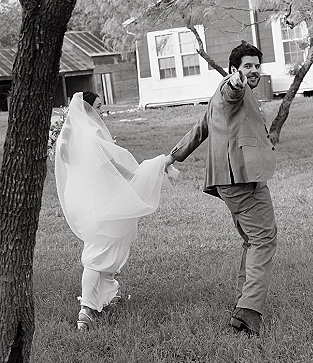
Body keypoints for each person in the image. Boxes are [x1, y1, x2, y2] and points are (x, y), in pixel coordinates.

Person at [165, 42, 277, 336]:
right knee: (264, 239)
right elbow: (233, 92)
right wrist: (236, 83)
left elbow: (202, 125)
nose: (253, 71)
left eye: (256, 66)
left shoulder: (219, 92)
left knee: (252, 240)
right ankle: (248, 312)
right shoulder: (231, 88)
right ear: (234, 70)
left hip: (232, 179)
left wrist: (174, 155)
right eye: (247, 66)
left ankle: (243, 301)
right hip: (241, 178)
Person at [55, 91, 175, 331]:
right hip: (99, 199)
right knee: (98, 252)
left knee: (109, 246)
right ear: (87, 109)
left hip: (85, 198)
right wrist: (144, 172)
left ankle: (107, 297)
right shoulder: (90, 135)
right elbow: (112, 166)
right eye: (98, 106)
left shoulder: (70, 137)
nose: (102, 111)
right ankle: (86, 308)